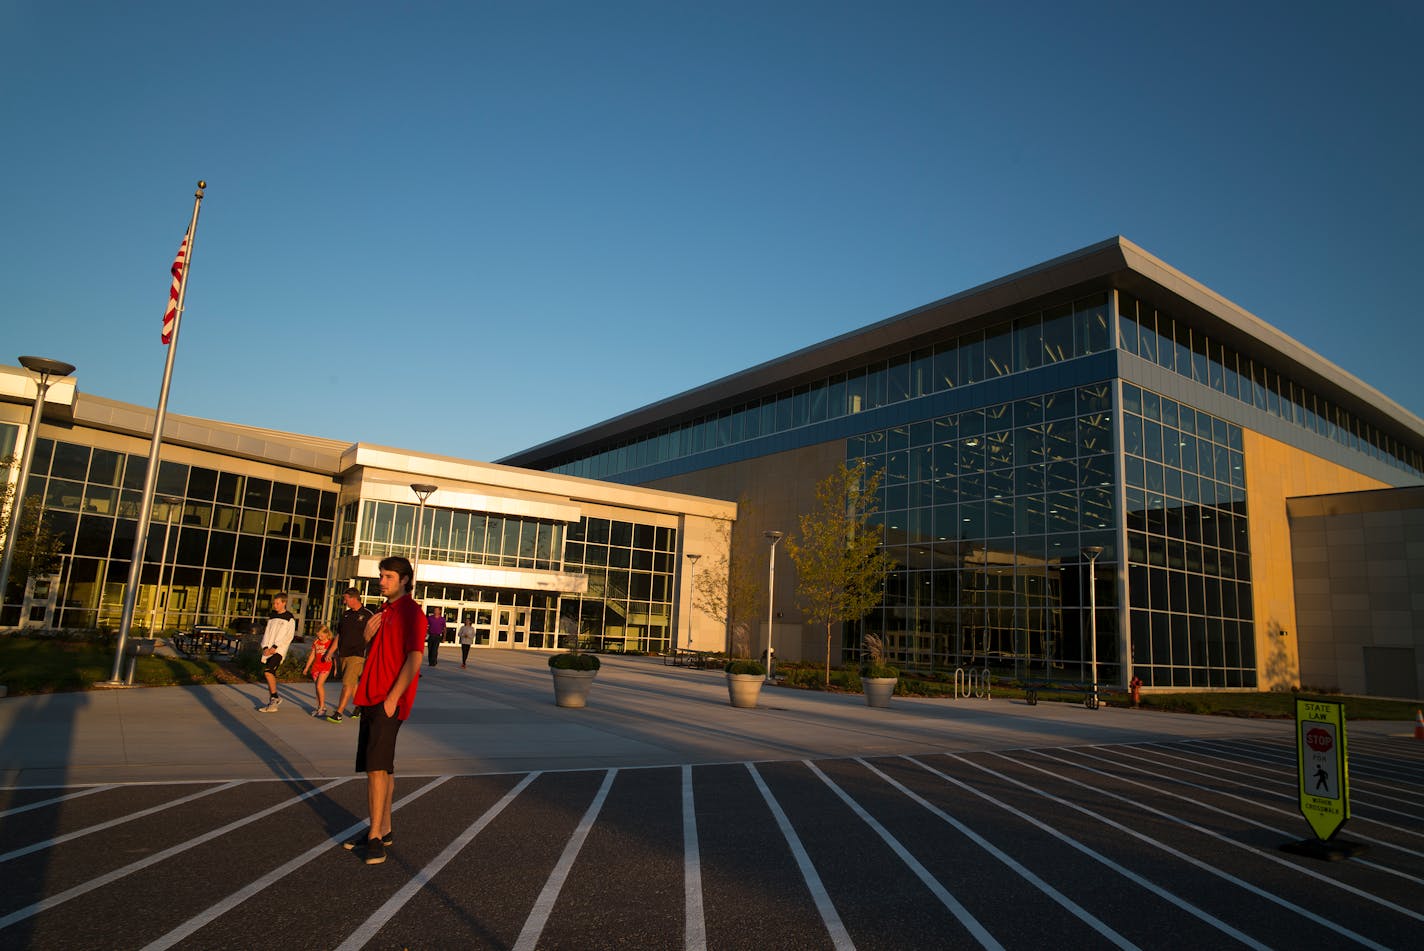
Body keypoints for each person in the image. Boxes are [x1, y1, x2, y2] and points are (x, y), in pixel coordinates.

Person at [344, 556, 425, 865]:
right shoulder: (383, 611)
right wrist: (367, 638)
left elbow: (415, 658)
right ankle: (384, 828)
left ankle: (375, 836)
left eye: (389, 576)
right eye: (381, 575)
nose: (382, 581)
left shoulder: (410, 613)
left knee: (376, 769)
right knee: (383, 766)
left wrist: (393, 698)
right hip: (370, 697)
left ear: (404, 580)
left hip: (387, 701)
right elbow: (377, 653)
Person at [327, 588, 373, 723]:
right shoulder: (346, 615)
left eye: (346, 598)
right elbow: (339, 635)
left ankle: (339, 713)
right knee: (352, 683)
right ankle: (360, 706)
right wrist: (331, 651)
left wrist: (370, 655)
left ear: (354, 598)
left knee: (347, 683)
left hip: (358, 655)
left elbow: (373, 637)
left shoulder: (367, 615)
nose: (344, 601)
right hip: (344, 654)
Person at [257, 593, 297, 712]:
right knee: (270, 674)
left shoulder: (289, 618)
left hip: (279, 650)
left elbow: (288, 636)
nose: (275, 605)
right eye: (274, 603)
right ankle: (273, 701)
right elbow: (267, 633)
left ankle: (275, 697)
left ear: (284, 603)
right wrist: (265, 647)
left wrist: (275, 647)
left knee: (268, 672)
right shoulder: (272, 616)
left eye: (277, 603)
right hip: (268, 650)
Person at [303, 624, 335, 717]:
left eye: (321, 635)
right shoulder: (316, 642)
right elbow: (312, 655)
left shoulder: (330, 643)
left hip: (326, 666)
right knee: (317, 688)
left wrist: (336, 667)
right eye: (318, 635)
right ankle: (321, 707)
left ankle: (322, 707)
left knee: (319, 685)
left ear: (326, 633)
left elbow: (335, 655)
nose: (320, 637)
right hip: (316, 667)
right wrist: (306, 667)